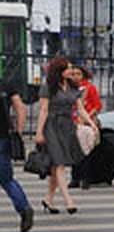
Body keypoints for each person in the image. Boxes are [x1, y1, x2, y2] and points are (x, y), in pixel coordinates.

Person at [35, 56, 98, 215]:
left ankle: (48, 199)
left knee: (58, 164)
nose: (71, 71)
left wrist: (91, 123)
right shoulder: (48, 87)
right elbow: (43, 110)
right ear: (60, 71)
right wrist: (39, 132)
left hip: (68, 126)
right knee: (60, 163)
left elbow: (79, 108)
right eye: (68, 68)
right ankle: (68, 199)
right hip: (52, 126)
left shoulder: (72, 86)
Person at [0, 66, 33, 232]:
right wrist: (18, 132)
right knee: (7, 180)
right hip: (3, 138)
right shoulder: (5, 84)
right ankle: (24, 208)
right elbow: (20, 108)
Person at [67, 65, 102, 190]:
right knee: (74, 152)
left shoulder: (89, 88)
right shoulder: (68, 89)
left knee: (86, 152)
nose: (76, 77)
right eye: (73, 74)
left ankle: (86, 178)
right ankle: (74, 178)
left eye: (78, 74)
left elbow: (97, 105)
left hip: (86, 123)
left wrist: (87, 116)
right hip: (73, 123)